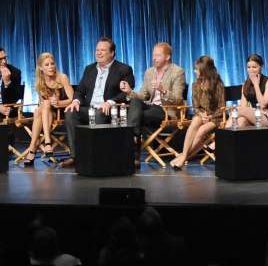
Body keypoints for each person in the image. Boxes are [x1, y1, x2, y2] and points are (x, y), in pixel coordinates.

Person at [61, 37, 135, 169]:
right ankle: (75, 156)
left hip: (107, 110)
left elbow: (127, 92)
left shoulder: (123, 69)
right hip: (88, 108)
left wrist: (111, 102)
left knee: (100, 113)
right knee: (70, 112)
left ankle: (98, 156)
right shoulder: (89, 69)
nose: (99, 53)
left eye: (103, 50)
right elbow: (80, 90)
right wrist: (76, 101)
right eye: (97, 50)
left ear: (112, 53)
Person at [122, 42, 186, 162]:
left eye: (158, 55)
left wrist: (163, 90)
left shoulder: (177, 72)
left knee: (133, 115)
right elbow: (142, 95)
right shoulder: (149, 72)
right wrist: (130, 92)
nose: (154, 58)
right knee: (135, 102)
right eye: (153, 55)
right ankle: (134, 142)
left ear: (167, 57)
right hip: (150, 107)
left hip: (166, 111)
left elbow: (178, 99)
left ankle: (133, 148)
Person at [169, 56, 224, 169]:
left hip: (216, 118)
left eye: (197, 69)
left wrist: (210, 117)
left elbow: (221, 107)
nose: (194, 71)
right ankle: (184, 155)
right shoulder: (195, 84)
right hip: (202, 115)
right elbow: (196, 106)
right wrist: (201, 114)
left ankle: (183, 157)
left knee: (201, 131)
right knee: (195, 120)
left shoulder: (218, 83)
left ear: (204, 70)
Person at [22, 52, 74, 165]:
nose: (51, 67)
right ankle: (47, 143)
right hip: (48, 113)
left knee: (42, 108)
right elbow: (43, 103)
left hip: (63, 111)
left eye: (52, 64)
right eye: (47, 65)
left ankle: (33, 149)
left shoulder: (62, 77)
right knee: (41, 108)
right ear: (41, 68)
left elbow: (72, 99)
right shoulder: (40, 83)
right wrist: (46, 105)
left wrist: (59, 102)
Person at [225, 54, 268, 128]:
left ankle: (224, 134)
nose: (251, 70)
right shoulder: (245, 84)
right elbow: (243, 106)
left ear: (261, 67)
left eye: (254, 67)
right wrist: (251, 110)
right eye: (248, 67)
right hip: (251, 115)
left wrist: (256, 85)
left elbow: (263, 105)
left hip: (267, 117)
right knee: (241, 120)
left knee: (238, 110)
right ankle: (228, 137)